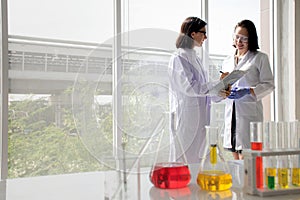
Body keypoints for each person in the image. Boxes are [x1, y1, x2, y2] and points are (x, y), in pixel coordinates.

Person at [168, 17, 226, 164]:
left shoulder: (195, 58)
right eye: (203, 33)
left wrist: (221, 91)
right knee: (184, 163)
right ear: (193, 34)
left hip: (201, 120)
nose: (205, 37)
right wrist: (217, 84)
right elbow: (191, 88)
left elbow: (204, 93)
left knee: (199, 163)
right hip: (187, 120)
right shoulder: (178, 57)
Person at [220, 19, 275, 160]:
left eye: (244, 38)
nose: (239, 41)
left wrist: (248, 91)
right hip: (231, 113)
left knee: (248, 161)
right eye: (237, 36)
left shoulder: (260, 58)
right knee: (235, 160)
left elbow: (269, 84)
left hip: (248, 115)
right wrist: (222, 89)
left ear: (251, 39)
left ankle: (250, 183)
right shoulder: (227, 60)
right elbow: (223, 83)